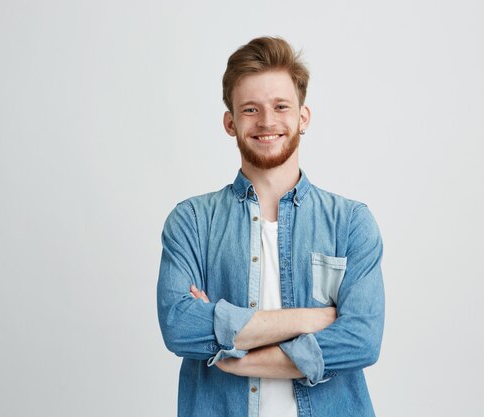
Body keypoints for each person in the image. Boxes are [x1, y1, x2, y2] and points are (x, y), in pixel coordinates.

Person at [157, 36, 384, 417]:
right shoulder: (192, 222)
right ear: (230, 122)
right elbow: (180, 327)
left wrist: (235, 354)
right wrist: (311, 319)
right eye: (250, 109)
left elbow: (361, 341)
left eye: (281, 106)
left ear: (303, 117)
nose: (266, 121)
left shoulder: (350, 223)